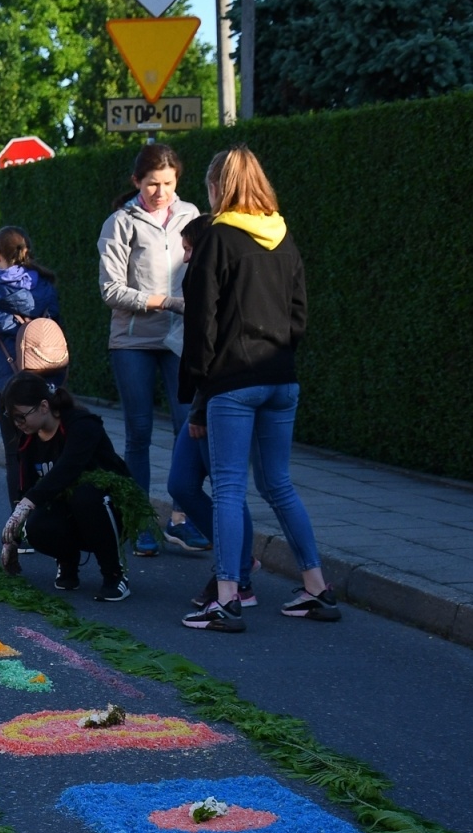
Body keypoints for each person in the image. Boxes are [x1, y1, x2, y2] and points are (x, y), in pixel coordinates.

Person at [180, 145, 341, 632]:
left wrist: (198, 388)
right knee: (278, 484)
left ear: (218, 187)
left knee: (229, 487)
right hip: (281, 378)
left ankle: (227, 598)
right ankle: (317, 588)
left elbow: (202, 321)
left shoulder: (218, 238)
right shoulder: (283, 236)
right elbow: (299, 316)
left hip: (232, 381)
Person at [97, 143, 207, 558]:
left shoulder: (191, 215)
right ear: (136, 182)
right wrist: (166, 302)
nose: (160, 192)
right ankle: (141, 522)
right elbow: (110, 290)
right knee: (139, 433)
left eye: (168, 183)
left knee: (188, 427)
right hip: (133, 341)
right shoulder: (120, 223)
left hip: (181, 339)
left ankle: (181, 518)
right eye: (151, 184)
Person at [168, 216, 260, 608]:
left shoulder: (217, 284)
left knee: (227, 491)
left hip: (216, 401)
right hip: (200, 401)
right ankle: (238, 562)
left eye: (190, 249)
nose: (185, 258)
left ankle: (238, 577)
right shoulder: (198, 281)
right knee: (181, 484)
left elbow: (211, 352)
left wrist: (200, 410)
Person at [0, 226, 65, 513]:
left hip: (12, 384)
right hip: (50, 381)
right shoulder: (46, 287)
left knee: (16, 455)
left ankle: (22, 522)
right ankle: (58, 514)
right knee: (54, 449)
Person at [1, 373, 133, 603]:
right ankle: (67, 562)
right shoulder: (29, 441)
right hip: (69, 512)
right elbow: (28, 488)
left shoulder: (81, 425)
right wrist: (13, 539)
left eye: (21, 416)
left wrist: (27, 502)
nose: (17, 424)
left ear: (44, 406)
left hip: (109, 510)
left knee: (85, 495)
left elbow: (68, 468)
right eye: (12, 418)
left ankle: (114, 574)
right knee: (36, 526)